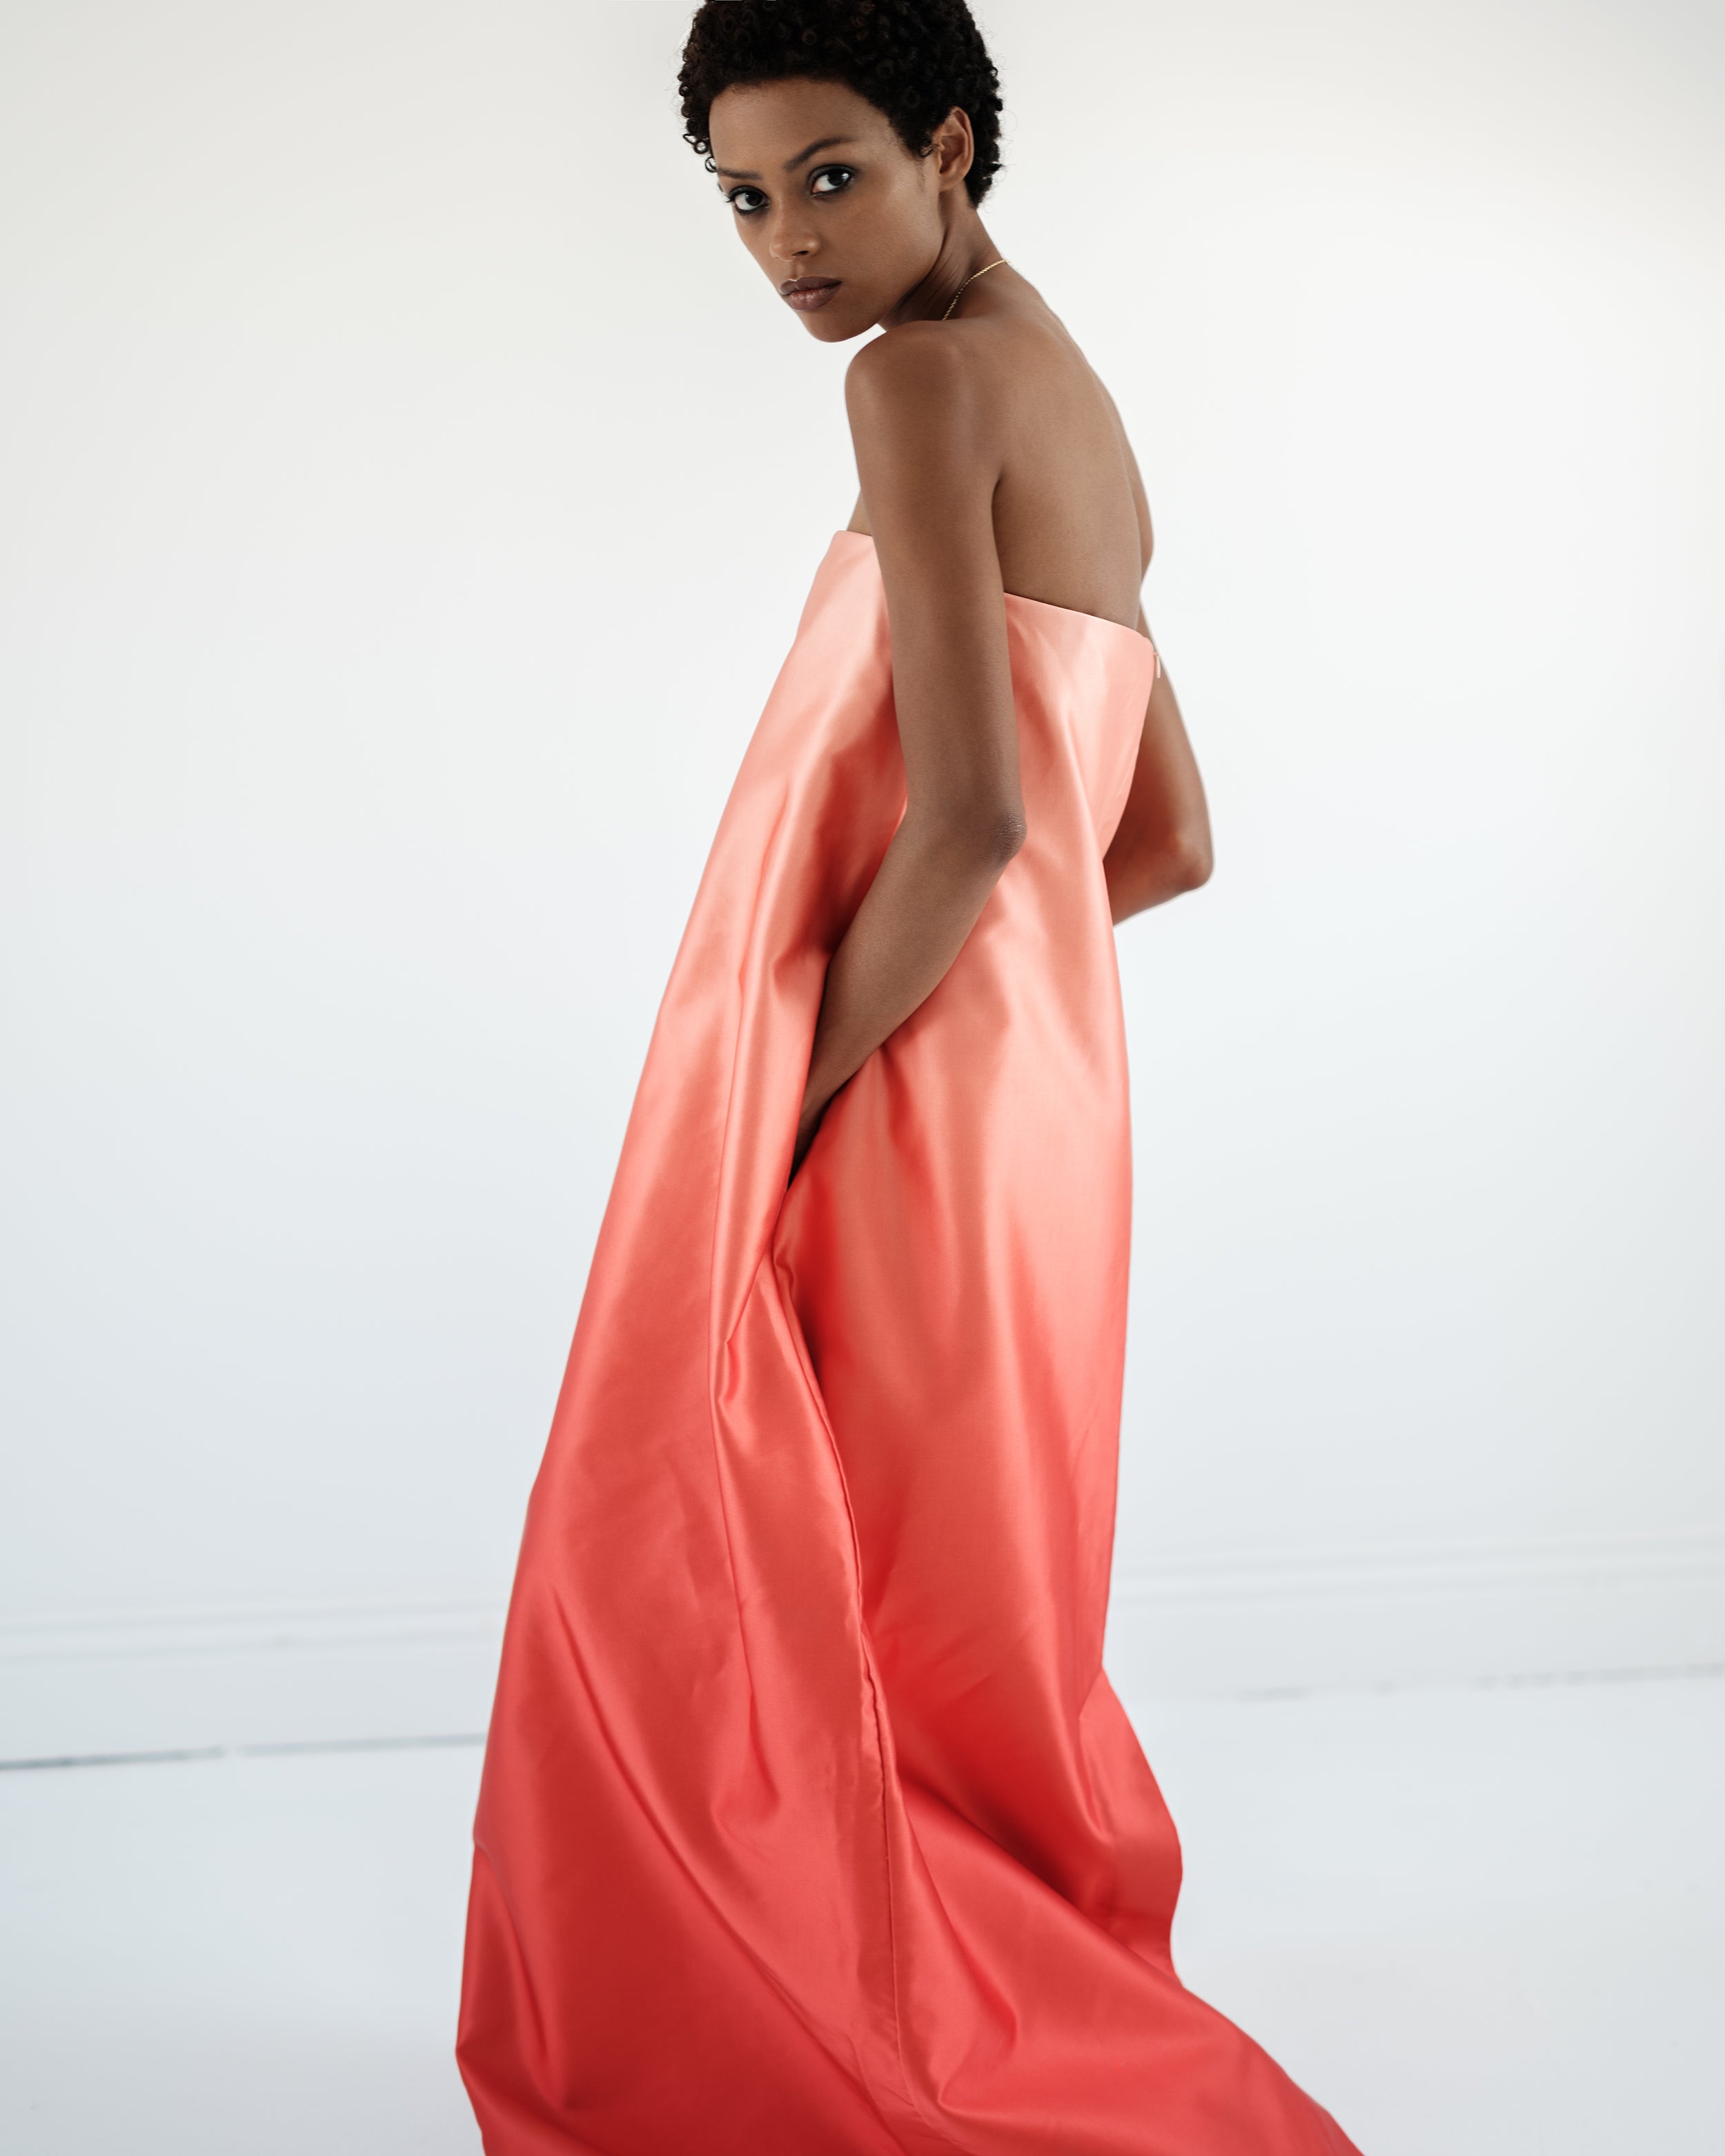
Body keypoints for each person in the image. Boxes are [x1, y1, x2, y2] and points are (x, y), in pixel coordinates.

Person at [457, 5, 1361, 2150]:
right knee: (960, 1610)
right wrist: (1003, 1006)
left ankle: (827, 2029)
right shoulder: (1071, 393)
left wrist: (789, 1092)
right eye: (741, 198)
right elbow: (1165, 836)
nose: (786, 240)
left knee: (717, 1557)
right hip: (1039, 1110)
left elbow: (967, 817)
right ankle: (993, 1977)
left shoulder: (917, 384)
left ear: (949, 144)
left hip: (898, 1098)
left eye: (830, 175)